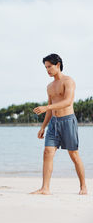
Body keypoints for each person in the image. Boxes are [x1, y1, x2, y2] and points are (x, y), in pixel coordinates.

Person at [30, 54, 87, 195]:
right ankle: (45, 188)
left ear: (58, 64)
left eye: (49, 66)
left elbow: (68, 101)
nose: (47, 70)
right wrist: (43, 126)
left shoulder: (68, 81)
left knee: (73, 154)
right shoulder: (49, 86)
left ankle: (83, 187)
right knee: (47, 152)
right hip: (54, 123)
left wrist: (47, 107)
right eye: (46, 67)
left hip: (68, 121)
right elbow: (50, 108)